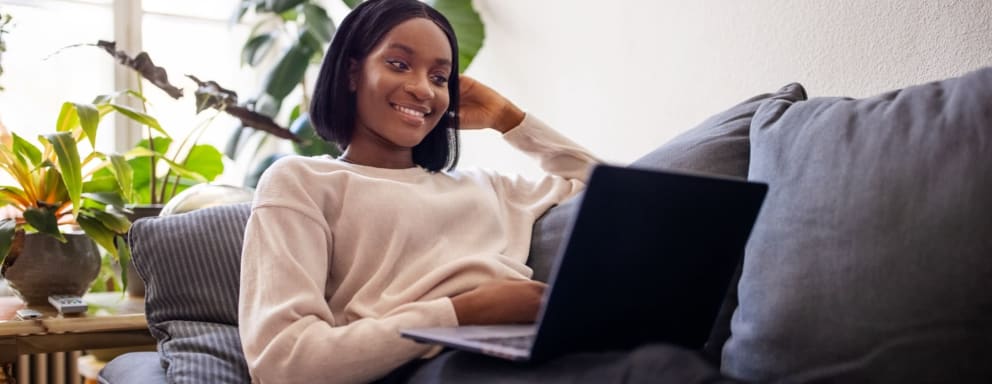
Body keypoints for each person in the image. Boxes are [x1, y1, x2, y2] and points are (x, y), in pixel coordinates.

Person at [237, 0, 599, 383]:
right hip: (429, 367)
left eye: (440, 78)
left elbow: (620, 198)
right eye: (398, 64)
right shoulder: (302, 181)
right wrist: (462, 312)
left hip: (537, 347)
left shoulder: (490, 188)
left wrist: (508, 119)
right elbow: (283, 362)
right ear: (351, 72)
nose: (422, 89)